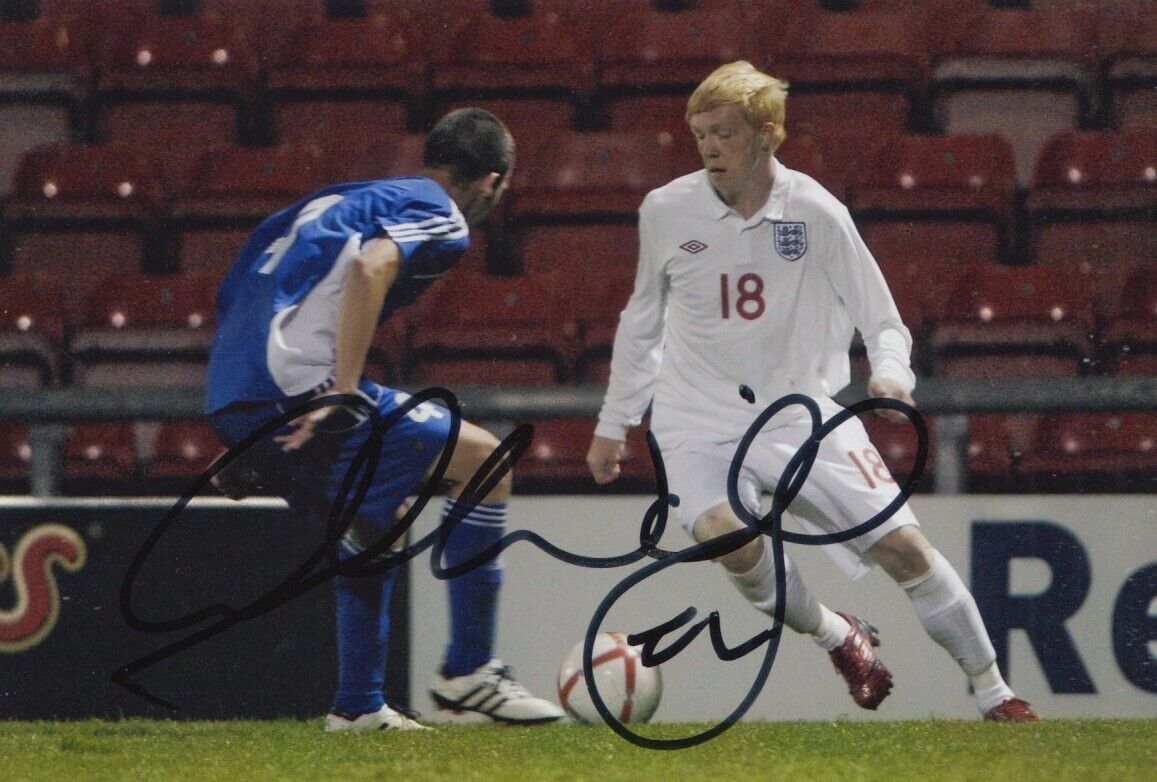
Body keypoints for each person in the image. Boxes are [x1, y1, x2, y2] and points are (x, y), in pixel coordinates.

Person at [585, 61, 1039, 722]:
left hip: (799, 416)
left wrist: (890, 375)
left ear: (768, 135)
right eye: (700, 134)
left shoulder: (815, 212)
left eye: (724, 133)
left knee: (904, 552)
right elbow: (641, 320)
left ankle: (992, 689)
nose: (709, 147)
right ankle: (838, 635)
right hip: (694, 421)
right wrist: (614, 420)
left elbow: (881, 319)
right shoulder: (665, 210)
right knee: (727, 539)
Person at [204, 108, 564, 731]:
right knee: (485, 461)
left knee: (379, 521)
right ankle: (469, 672)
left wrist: (248, 426)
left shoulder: (343, 197)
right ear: (491, 181)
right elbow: (372, 268)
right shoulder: (440, 212)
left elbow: (242, 285)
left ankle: (359, 707)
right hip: (302, 385)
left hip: (236, 388)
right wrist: (341, 391)